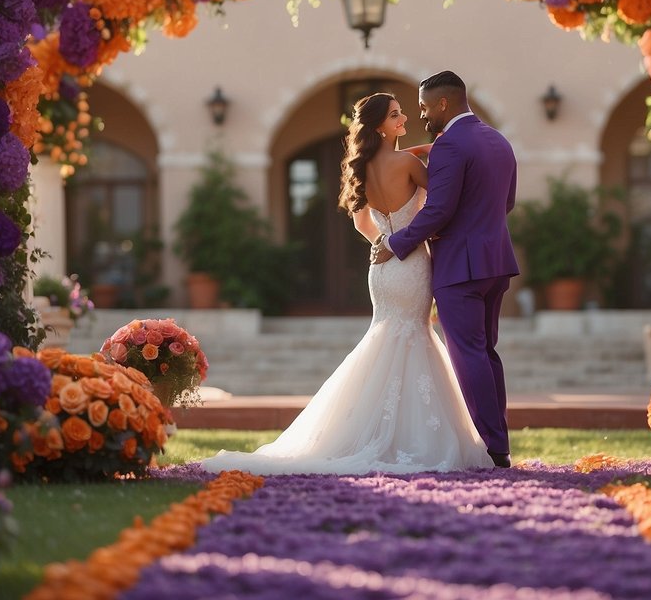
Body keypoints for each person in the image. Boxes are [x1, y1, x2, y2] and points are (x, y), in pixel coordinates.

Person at [199, 92, 492, 475]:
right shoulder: (407, 163)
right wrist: (427, 158)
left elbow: (360, 222)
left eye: (402, 113)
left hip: (382, 267)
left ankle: (368, 430)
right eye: (395, 115)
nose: (403, 118)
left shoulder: (363, 167)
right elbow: (443, 197)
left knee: (386, 338)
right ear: (379, 125)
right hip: (411, 262)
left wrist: (383, 243)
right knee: (414, 337)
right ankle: (412, 436)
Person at [371, 71, 518, 468]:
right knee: (486, 351)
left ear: (442, 104)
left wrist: (394, 244)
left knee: (467, 353)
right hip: (496, 261)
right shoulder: (497, 140)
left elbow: (439, 209)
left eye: (422, 107)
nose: (420, 115)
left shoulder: (451, 145)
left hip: (460, 266)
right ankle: (498, 439)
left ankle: (491, 447)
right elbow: (507, 203)